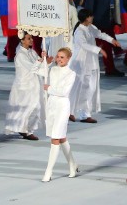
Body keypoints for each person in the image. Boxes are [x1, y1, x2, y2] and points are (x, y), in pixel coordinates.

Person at [69, 9, 121, 123]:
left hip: (91, 62)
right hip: (81, 62)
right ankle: (71, 112)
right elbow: (83, 45)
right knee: (79, 88)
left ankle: (85, 114)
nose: (92, 18)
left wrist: (112, 40)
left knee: (91, 88)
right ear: (87, 18)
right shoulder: (79, 31)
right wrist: (99, 50)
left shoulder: (90, 27)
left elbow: (100, 34)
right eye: (91, 16)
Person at [4, 32, 51, 141]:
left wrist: (46, 62)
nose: (31, 40)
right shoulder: (20, 54)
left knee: (35, 107)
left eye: (31, 38)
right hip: (25, 86)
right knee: (27, 108)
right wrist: (42, 61)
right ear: (22, 40)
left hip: (34, 84)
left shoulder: (32, 51)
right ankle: (25, 130)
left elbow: (39, 67)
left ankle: (26, 129)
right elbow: (33, 67)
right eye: (28, 38)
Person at [42, 47, 78, 182]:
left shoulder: (71, 74)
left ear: (68, 59)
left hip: (62, 106)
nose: (59, 59)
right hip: (51, 106)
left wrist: (49, 88)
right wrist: (44, 61)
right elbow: (37, 71)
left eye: (62, 57)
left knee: (55, 138)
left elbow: (63, 91)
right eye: (58, 56)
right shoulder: (52, 69)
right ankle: (72, 164)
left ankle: (48, 171)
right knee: (61, 137)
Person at [84, 0, 125, 77]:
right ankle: (109, 68)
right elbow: (90, 3)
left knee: (105, 44)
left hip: (109, 18)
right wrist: (89, 19)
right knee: (104, 45)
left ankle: (109, 67)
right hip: (99, 20)